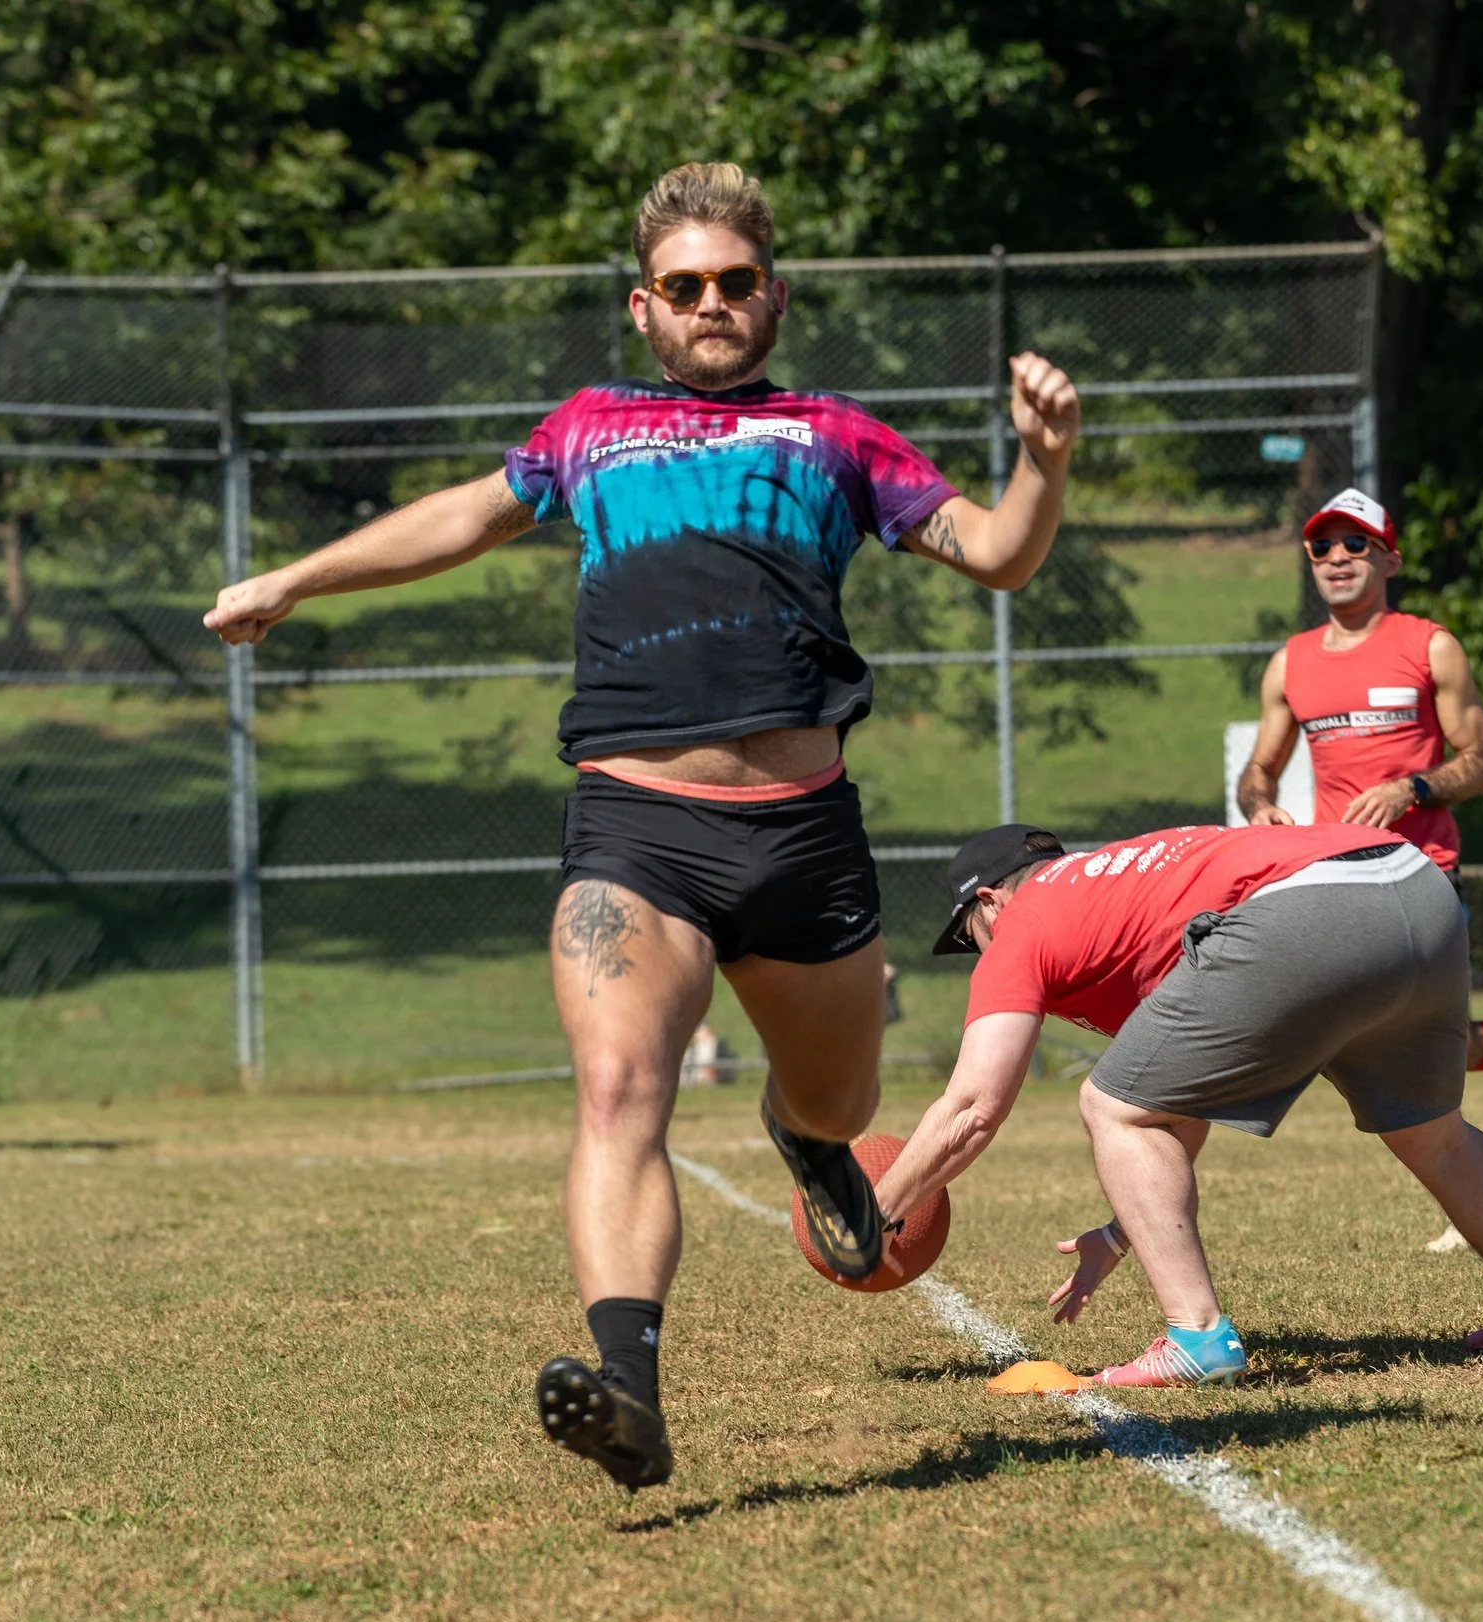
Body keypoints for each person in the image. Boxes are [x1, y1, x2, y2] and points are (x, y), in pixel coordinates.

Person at [203, 162, 1082, 1491]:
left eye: (737, 282)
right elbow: (462, 514)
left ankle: (807, 1139)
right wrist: (294, 579)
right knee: (620, 1091)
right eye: (687, 287)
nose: (714, 303)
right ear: (643, 306)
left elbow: (1001, 553)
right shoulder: (587, 431)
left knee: (839, 1095)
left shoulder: (838, 435)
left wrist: (1044, 459)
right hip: (637, 828)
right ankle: (630, 1395)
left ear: (773, 296)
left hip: (804, 836)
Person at [872, 822, 1483, 1388]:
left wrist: (874, 1213)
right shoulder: (1126, 889)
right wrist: (1121, 1232)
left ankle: (1197, 1337)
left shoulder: (1026, 920)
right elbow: (1183, 1101)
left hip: (1311, 909)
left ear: (990, 900)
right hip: (1413, 885)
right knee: (1438, 1138)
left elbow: (973, 1106)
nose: (977, 953)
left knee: (1110, 1106)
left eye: (969, 937)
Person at [1235, 488, 1483, 1255]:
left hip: (1425, 868)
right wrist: (1260, 807)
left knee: (1419, 1050)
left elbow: (1481, 763)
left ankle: (1474, 1191)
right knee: (1355, 1045)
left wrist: (1412, 787)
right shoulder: (1289, 662)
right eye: (1322, 546)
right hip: (1334, 876)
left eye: (1355, 545)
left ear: (1389, 559)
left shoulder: (1430, 646)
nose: (1336, 559)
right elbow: (1259, 771)